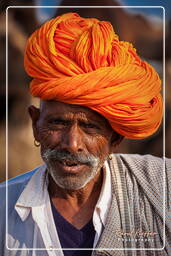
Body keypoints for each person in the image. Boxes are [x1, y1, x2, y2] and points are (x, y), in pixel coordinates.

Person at [0, 12, 171, 256]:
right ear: (35, 123)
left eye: (90, 127)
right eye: (57, 123)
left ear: (115, 139)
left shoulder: (162, 187)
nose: (72, 144)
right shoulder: (3, 211)